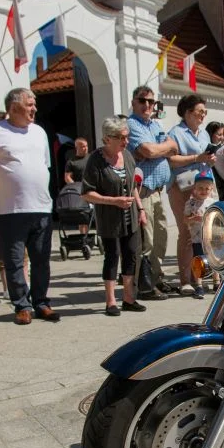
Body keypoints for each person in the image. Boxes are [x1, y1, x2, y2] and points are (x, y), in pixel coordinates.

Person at [0, 88, 60, 325]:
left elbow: (44, 166)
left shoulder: (39, 132)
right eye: (30, 104)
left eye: (34, 103)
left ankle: (41, 302)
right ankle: (22, 305)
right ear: (13, 107)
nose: (34, 108)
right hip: (10, 210)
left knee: (41, 259)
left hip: (41, 207)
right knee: (14, 260)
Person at [81, 117, 148, 316]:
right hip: (109, 217)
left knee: (131, 256)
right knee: (112, 257)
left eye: (126, 137)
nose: (125, 142)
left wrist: (141, 209)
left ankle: (128, 298)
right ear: (107, 139)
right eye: (121, 138)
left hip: (131, 216)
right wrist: (114, 201)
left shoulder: (127, 156)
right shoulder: (95, 160)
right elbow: (86, 193)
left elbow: (133, 186)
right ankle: (111, 302)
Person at [127, 86, 178, 301]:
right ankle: (144, 285)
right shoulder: (131, 125)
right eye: (142, 101)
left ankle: (156, 278)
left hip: (158, 191)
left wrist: (159, 148)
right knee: (145, 240)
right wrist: (161, 148)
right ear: (134, 102)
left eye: (151, 102)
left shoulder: (155, 125)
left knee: (160, 237)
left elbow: (174, 147)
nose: (147, 105)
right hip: (143, 191)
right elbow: (147, 151)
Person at [166, 93, 216, 296]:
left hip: (204, 188)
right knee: (187, 232)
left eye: (205, 112)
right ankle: (185, 280)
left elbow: (205, 158)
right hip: (183, 187)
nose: (203, 116)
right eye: (199, 112)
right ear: (187, 113)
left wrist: (209, 160)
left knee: (207, 233)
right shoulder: (175, 133)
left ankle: (201, 277)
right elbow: (171, 160)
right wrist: (197, 157)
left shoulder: (203, 134)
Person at [184, 168, 218, 298]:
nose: (203, 191)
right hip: (197, 238)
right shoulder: (191, 203)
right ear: (195, 188)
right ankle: (198, 285)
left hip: (211, 237)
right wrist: (193, 219)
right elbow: (185, 219)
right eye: (200, 188)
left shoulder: (214, 203)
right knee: (199, 261)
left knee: (214, 260)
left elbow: (217, 219)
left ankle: (216, 282)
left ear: (211, 189)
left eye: (207, 188)